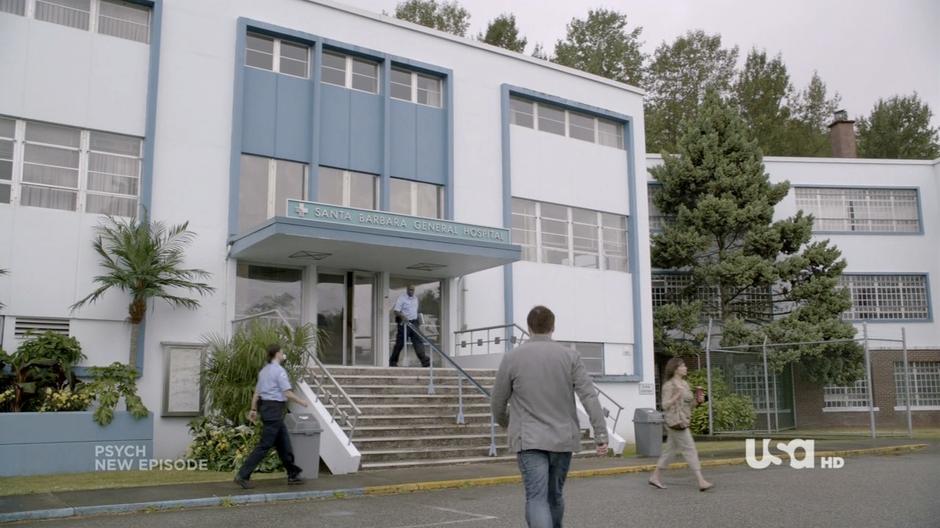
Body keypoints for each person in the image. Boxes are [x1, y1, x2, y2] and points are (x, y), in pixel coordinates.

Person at [491, 305, 609, 528]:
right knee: (554, 496)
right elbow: (589, 397)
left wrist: (507, 423)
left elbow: (497, 402)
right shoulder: (570, 356)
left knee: (536, 499)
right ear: (553, 327)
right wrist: (600, 434)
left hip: (529, 439)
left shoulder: (512, 358)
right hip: (562, 439)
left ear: (528, 328)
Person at [235, 344, 309, 489]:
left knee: (284, 443)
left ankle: (293, 474)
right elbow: (287, 392)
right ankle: (242, 475)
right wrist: (302, 402)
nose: (283, 354)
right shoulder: (279, 371)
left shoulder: (264, 371)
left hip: (267, 409)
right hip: (274, 409)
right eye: (282, 352)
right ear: (277, 354)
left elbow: (257, 393)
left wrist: (253, 409)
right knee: (265, 445)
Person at [649, 357, 713, 492]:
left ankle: (655, 477)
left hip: (683, 419)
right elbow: (665, 405)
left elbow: (690, 406)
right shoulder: (669, 385)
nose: (686, 368)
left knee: (669, 451)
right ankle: (701, 480)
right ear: (675, 369)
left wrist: (699, 400)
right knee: (690, 449)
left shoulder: (685, 384)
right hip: (675, 422)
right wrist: (676, 396)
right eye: (683, 366)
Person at [389, 284, 430, 367]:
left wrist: (420, 320)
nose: (411, 291)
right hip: (404, 323)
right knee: (400, 343)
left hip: (414, 322)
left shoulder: (415, 299)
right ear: (407, 290)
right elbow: (396, 311)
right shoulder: (402, 298)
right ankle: (393, 361)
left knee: (418, 341)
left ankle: (424, 361)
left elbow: (417, 311)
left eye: (413, 290)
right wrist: (402, 316)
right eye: (410, 290)